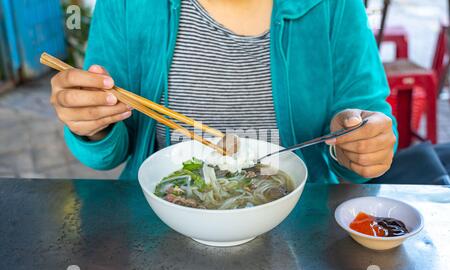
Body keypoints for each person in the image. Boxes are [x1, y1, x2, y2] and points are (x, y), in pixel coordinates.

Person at [49, 0, 397, 183]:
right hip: (159, 223)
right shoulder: (127, 4)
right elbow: (109, 152)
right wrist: (93, 125)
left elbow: (366, 115)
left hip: (303, 224)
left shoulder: (333, 4)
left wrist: (360, 144)